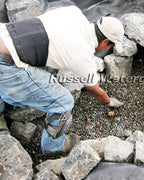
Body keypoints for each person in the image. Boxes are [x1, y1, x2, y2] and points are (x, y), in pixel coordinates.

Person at [0, 5, 124, 154]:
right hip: (7, 66)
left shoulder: (73, 12)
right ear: (105, 43)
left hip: (4, 34)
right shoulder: (84, 56)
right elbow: (94, 90)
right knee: (64, 102)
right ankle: (54, 146)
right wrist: (108, 101)